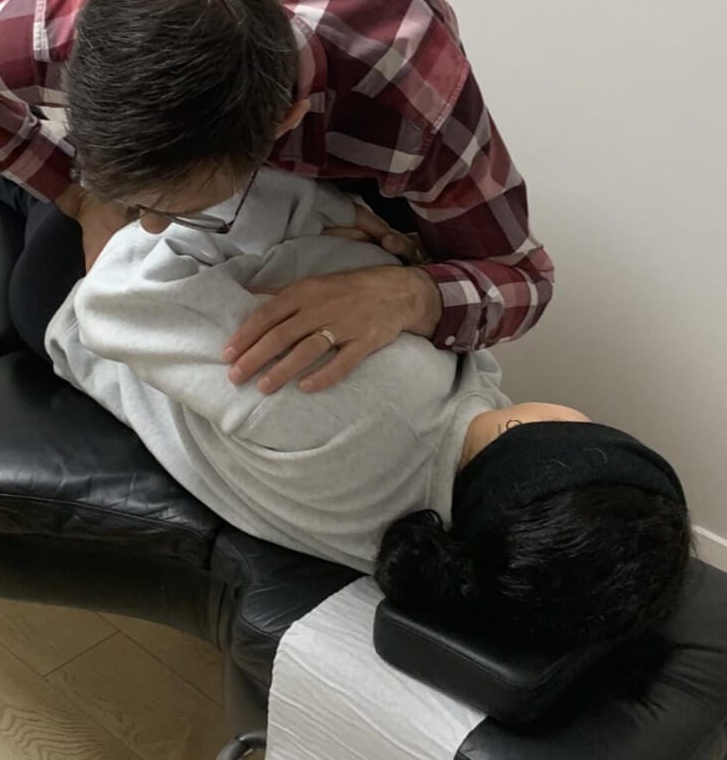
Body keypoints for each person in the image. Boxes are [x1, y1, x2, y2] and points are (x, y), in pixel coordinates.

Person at [0, 0, 555, 397]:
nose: (154, 230)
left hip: (349, 94)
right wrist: (79, 197)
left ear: (281, 132)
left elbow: (525, 279)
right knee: (45, 303)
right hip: (171, 43)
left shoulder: (412, 101)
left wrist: (411, 296)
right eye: (143, 205)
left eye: (178, 207)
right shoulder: (55, 27)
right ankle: (35, 185)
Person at [45, 168, 691, 648]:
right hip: (151, 299)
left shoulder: (384, 400)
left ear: (547, 441)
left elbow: (114, 302)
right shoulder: (457, 521)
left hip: (78, 286)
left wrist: (325, 221)